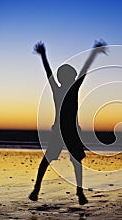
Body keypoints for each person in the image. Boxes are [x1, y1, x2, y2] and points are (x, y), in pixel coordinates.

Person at [29, 40, 107, 205]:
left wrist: (43, 55)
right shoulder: (66, 89)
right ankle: (42, 190)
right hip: (65, 131)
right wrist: (94, 52)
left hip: (65, 131)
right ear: (69, 77)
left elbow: (54, 72)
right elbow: (54, 72)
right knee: (69, 162)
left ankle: (71, 191)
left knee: (63, 162)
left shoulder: (66, 89)